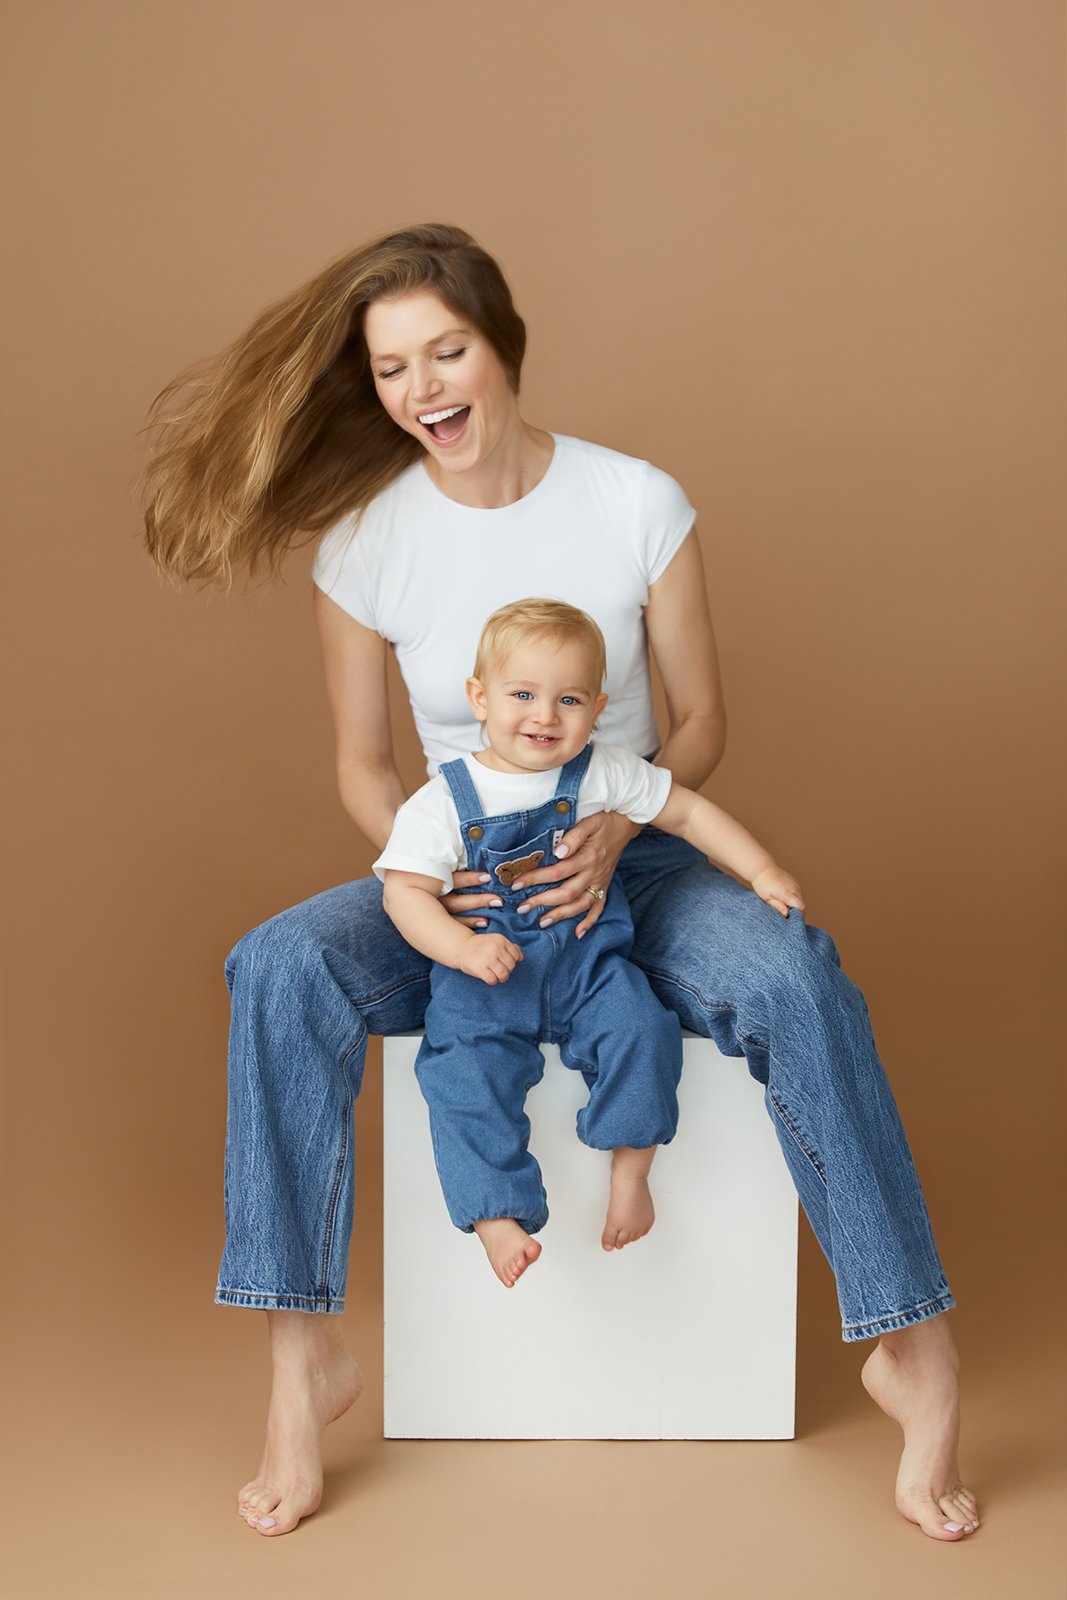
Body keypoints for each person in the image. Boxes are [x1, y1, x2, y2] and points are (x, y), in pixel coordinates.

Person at [141, 222, 979, 1543]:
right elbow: (364, 768)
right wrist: (434, 885)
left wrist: (609, 836)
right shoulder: (362, 543)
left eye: (444, 352)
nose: (421, 390)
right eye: (390, 369)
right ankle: (303, 1363)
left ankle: (908, 1346)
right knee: (279, 963)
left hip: (632, 855)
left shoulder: (632, 500)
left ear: (502, 344)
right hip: (461, 874)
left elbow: (698, 723)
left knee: (790, 971)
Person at [377, 597, 804, 1285]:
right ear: (479, 698)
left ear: (597, 709)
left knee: (643, 1030)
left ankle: (631, 1173)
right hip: (484, 984)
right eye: (522, 695)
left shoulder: (603, 772)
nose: (545, 716)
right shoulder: (443, 801)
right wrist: (461, 949)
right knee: (460, 1076)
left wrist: (761, 870)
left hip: (589, 972)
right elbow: (403, 894)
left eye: (568, 700)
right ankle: (494, 1214)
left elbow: (689, 812)